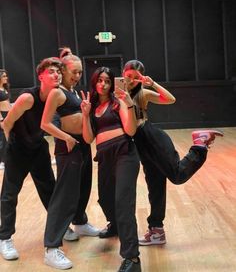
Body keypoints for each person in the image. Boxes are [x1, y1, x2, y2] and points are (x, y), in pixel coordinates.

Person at [122, 59, 224, 246]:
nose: (131, 80)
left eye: (136, 78)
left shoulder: (141, 93)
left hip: (151, 137)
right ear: (123, 73)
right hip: (142, 146)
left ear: (141, 79)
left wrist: (152, 83)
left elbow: (170, 99)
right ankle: (156, 231)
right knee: (155, 187)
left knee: (177, 176)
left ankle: (199, 146)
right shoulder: (118, 94)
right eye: (128, 76)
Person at [0, 57, 62, 261]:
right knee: (10, 194)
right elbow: (7, 123)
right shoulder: (28, 98)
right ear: (41, 76)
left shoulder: (55, 96)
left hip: (38, 149)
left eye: (58, 72)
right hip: (18, 150)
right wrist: (12, 146)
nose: (56, 74)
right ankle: (5, 237)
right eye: (51, 71)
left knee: (50, 190)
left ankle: (59, 229)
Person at [41, 51, 98, 270]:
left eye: (80, 72)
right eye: (74, 72)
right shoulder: (57, 92)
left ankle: (80, 223)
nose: (77, 76)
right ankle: (51, 248)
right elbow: (45, 123)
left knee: (83, 188)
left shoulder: (72, 91)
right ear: (63, 71)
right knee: (64, 197)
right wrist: (67, 137)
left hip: (82, 145)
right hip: (68, 147)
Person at [81, 67, 141, 272]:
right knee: (106, 199)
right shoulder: (94, 107)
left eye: (107, 81)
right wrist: (85, 114)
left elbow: (131, 130)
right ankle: (114, 226)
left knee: (123, 204)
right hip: (105, 157)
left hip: (125, 154)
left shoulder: (119, 102)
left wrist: (130, 104)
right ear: (94, 83)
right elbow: (88, 138)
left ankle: (132, 259)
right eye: (100, 80)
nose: (103, 84)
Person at [0, 69, 12, 170]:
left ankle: (8, 158)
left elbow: (8, 103)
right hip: (2, 116)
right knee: (3, 139)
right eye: (4, 76)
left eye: (6, 76)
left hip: (9, 114)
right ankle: (2, 161)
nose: (6, 78)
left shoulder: (5, 88)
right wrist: (0, 119)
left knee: (9, 137)